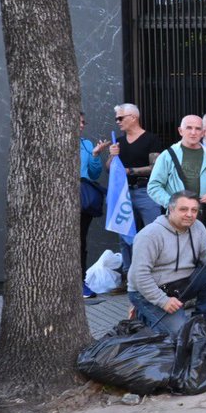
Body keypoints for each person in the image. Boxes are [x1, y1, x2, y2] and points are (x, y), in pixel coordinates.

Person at [126, 191, 206, 338]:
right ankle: (142, 314)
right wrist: (163, 301)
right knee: (181, 335)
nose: (190, 214)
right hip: (151, 290)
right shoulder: (150, 235)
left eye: (194, 210)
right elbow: (139, 276)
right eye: (183, 209)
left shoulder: (197, 226)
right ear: (171, 210)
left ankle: (200, 320)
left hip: (182, 285)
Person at [110, 103, 165, 275]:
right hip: (123, 193)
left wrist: (130, 171)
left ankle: (156, 274)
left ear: (133, 117)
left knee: (153, 232)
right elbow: (109, 169)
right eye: (116, 118)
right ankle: (129, 276)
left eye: (120, 118)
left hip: (145, 191)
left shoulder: (151, 139)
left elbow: (155, 166)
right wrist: (112, 156)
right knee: (124, 234)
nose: (117, 122)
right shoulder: (118, 142)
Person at [147, 115, 206, 231]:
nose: (193, 132)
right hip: (176, 216)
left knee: (202, 248)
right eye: (189, 128)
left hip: (203, 215)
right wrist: (172, 204)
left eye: (198, 129)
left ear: (203, 132)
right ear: (180, 131)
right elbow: (153, 186)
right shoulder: (167, 155)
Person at [80, 112, 109, 297]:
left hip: (82, 199)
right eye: (79, 121)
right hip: (60, 200)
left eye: (84, 122)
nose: (82, 125)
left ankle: (80, 282)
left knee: (80, 241)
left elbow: (94, 173)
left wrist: (96, 155)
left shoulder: (87, 144)